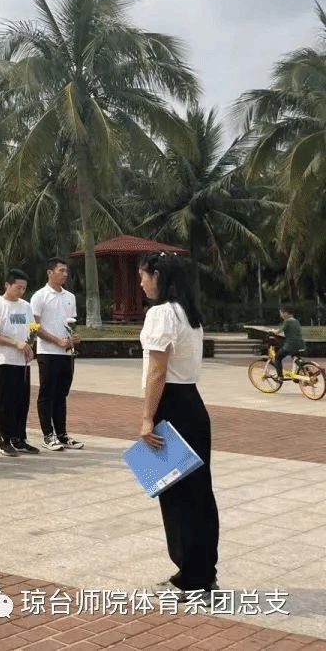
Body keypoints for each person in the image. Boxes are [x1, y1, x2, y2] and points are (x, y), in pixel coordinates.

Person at [138, 251, 219, 597]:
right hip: (191, 404)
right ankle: (202, 572)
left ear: (158, 276)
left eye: (143, 276)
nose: (142, 284)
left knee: (177, 496)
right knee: (198, 493)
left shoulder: (161, 314)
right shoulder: (189, 314)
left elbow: (157, 371)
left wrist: (147, 418)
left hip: (170, 405)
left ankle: (191, 578)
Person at [31, 257, 84, 451]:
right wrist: (56, 341)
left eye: (66, 271)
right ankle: (48, 435)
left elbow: (71, 324)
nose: (65, 274)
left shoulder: (70, 297)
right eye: (61, 270)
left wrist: (73, 338)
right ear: (50, 272)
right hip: (48, 352)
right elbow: (34, 326)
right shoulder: (40, 296)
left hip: (67, 353)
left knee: (62, 394)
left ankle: (62, 434)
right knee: (47, 393)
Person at [0, 269, 39, 456]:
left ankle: (19, 438)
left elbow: (31, 329)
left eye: (24, 288)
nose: (21, 291)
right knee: (5, 402)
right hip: (5, 360)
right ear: (7, 285)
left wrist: (29, 346)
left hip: (22, 362)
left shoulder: (26, 306)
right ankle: (4, 439)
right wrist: (15, 343)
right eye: (18, 287)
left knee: (22, 401)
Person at [273, 303, 306, 378]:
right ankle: (302, 370)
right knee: (296, 358)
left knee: (277, 358)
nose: (281, 315)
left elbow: (278, 332)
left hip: (290, 346)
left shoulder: (287, 322)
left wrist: (273, 331)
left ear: (285, 313)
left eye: (281, 313)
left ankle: (280, 376)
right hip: (301, 345)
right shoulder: (296, 321)